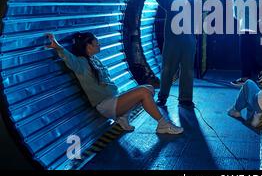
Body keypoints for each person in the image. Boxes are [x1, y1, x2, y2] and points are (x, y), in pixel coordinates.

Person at [45, 32, 184, 134]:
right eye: (96, 43)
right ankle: (163, 125)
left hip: (114, 99)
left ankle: (122, 118)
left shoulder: (94, 60)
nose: (99, 45)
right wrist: (57, 47)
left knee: (148, 88)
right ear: (88, 46)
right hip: (105, 105)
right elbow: (70, 60)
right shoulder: (81, 63)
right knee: (143, 92)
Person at [152, 0, 204, 108]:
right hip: (183, 41)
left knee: (171, 69)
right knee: (182, 70)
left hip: (176, 41)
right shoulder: (194, 1)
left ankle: (167, 98)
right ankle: (181, 98)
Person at [227, 0, 262, 86]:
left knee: (244, 54)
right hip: (253, 27)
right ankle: (260, 72)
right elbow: (259, 5)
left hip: (244, 27)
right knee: (249, 52)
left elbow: (236, 15)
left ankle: (246, 77)